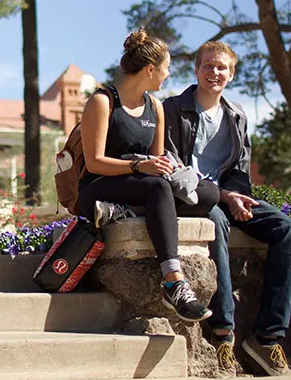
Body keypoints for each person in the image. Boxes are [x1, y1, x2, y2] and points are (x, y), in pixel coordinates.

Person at [163, 40, 291, 377]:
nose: (214, 72)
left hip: (227, 197)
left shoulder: (237, 114)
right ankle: (223, 334)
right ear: (196, 70)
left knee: (288, 229)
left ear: (232, 74)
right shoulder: (172, 108)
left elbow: (240, 167)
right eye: (208, 65)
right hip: (193, 199)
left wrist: (237, 197)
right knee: (218, 222)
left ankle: (267, 339)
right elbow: (174, 168)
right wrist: (224, 198)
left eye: (221, 67)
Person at [78, 29, 219, 322]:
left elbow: (156, 159)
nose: (167, 75)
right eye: (166, 68)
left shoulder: (155, 107)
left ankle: (125, 211)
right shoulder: (103, 102)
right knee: (156, 188)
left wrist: (169, 167)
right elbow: (94, 163)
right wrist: (138, 167)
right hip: (99, 186)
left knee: (207, 193)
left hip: (141, 184)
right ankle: (173, 281)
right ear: (150, 69)